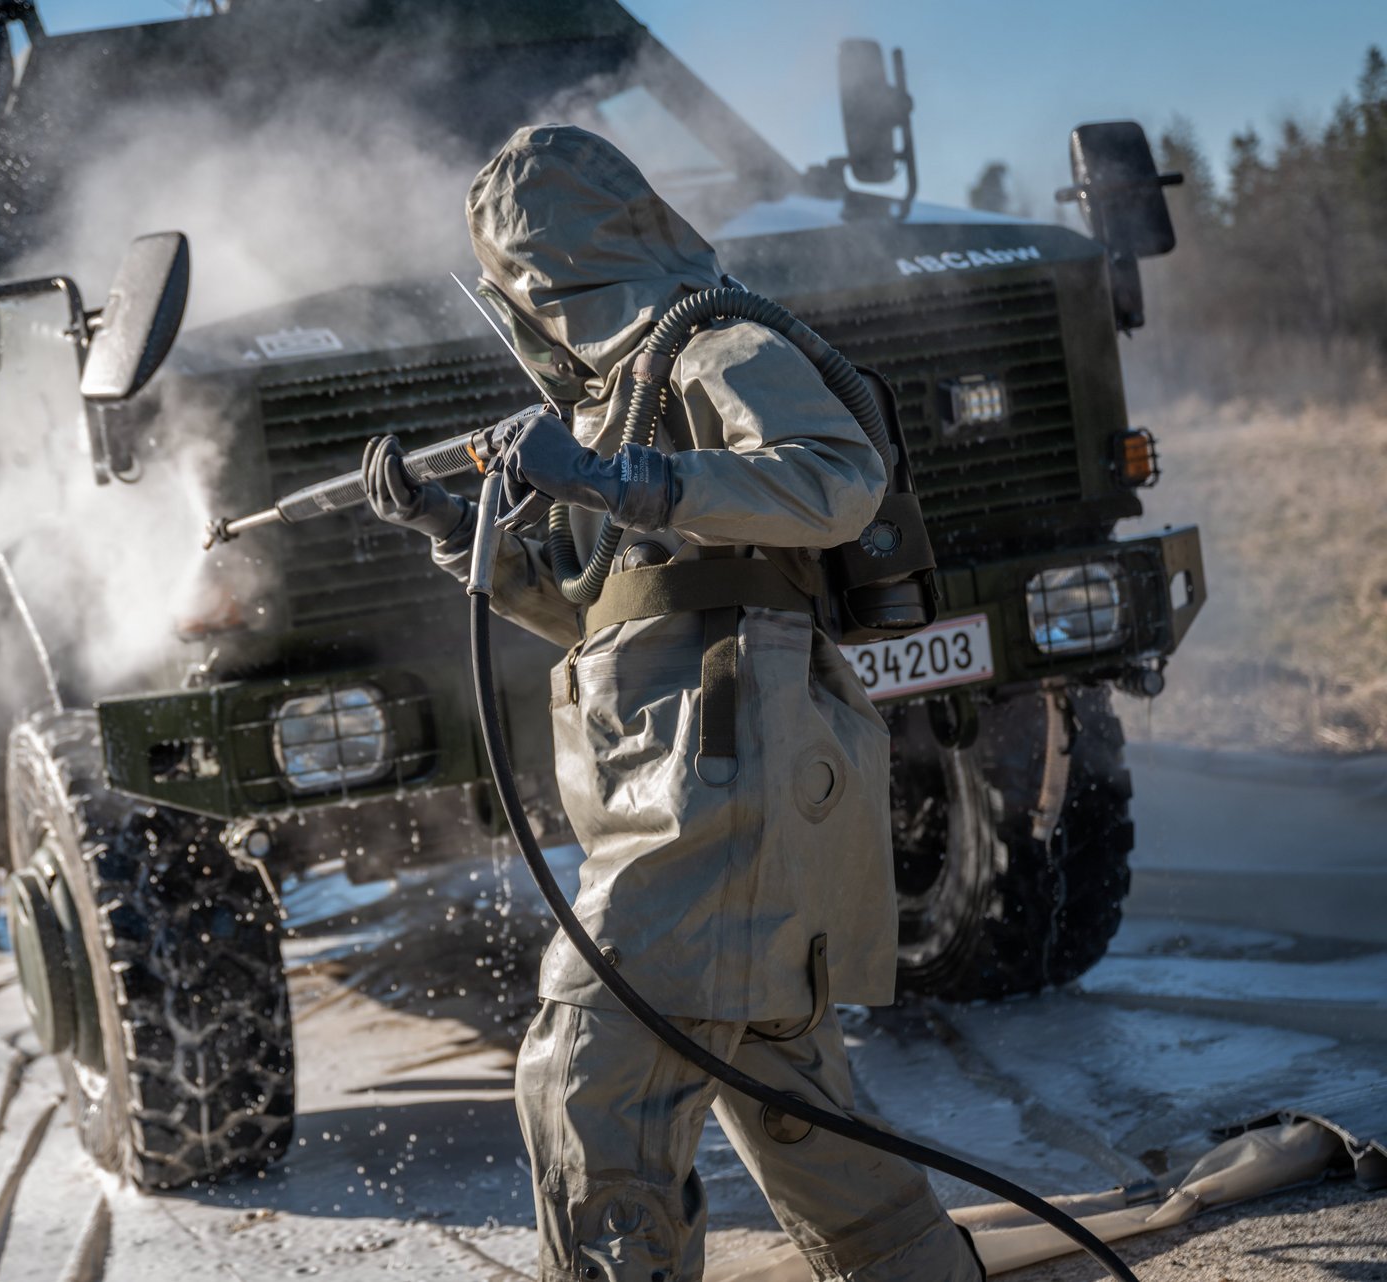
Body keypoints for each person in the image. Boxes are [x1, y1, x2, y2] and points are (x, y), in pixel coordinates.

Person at [361, 125, 982, 1281]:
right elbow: (612, 609)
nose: (529, 307)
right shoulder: (616, 402)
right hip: (696, 774)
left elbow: (840, 478)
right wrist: (459, 533)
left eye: (528, 280)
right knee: (799, 1110)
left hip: (719, 774)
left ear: (552, 267)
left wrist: (616, 477)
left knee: (588, 1075)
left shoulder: (710, 341)